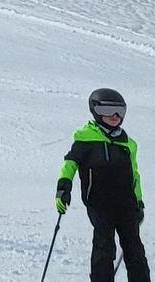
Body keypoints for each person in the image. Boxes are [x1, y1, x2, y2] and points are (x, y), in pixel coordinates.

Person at [58, 88, 146, 282]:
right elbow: (70, 163)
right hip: (100, 204)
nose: (115, 116)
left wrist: (138, 202)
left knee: (135, 249)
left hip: (126, 204)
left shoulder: (127, 143)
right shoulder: (86, 139)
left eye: (120, 111)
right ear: (95, 111)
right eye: (107, 110)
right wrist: (63, 187)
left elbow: (134, 175)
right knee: (104, 247)